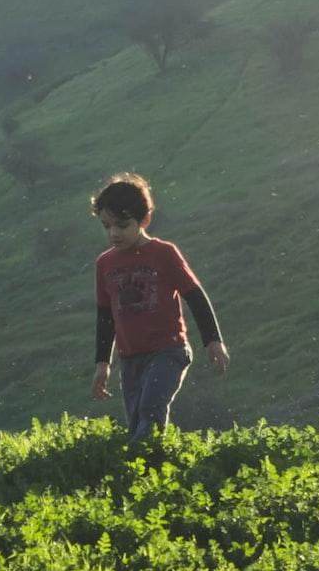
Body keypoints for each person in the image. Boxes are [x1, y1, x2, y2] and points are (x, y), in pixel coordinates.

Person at [89, 173, 229, 440]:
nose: (114, 233)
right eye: (107, 226)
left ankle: (141, 464)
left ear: (144, 220)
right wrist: (102, 363)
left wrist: (213, 340)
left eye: (122, 225)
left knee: (150, 409)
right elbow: (105, 315)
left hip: (168, 351)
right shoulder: (104, 264)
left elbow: (195, 296)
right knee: (136, 423)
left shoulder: (164, 253)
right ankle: (149, 470)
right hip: (130, 357)